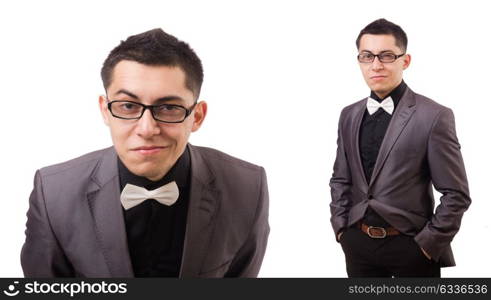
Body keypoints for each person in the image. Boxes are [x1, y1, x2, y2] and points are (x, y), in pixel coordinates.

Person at [21, 29, 269, 278]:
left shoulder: (248, 188)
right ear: (105, 111)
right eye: (128, 106)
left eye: (169, 107)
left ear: (197, 116)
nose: (147, 129)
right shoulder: (52, 193)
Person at [329, 19, 471, 277]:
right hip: (358, 246)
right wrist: (341, 229)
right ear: (359, 60)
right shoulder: (348, 115)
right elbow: (341, 178)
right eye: (367, 56)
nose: (376, 65)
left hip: (412, 249)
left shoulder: (434, 116)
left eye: (386, 55)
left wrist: (428, 244)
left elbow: (456, 193)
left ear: (404, 61)